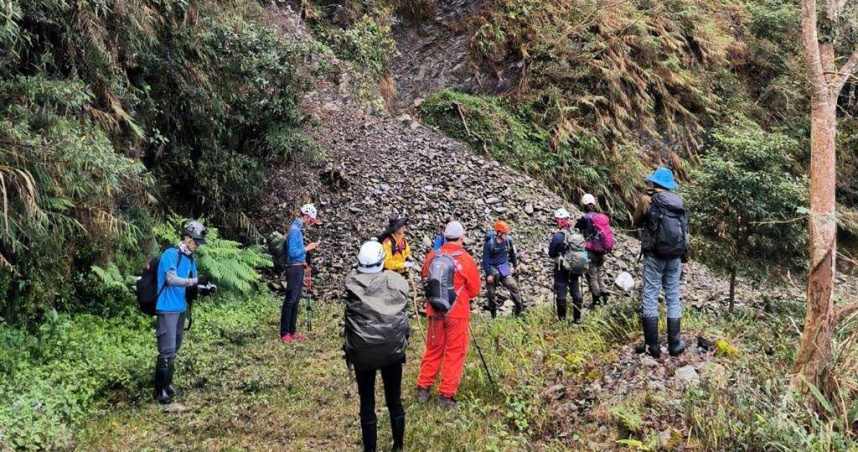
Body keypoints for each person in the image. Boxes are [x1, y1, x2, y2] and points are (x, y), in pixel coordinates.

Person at [344, 240, 408, 452]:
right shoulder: (396, 281)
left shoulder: (352, 283)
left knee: (367, 402)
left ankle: (370, 449)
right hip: (392, 351)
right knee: (394, 398)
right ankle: (398, 446)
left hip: (363, 352)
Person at [416, 221, 481, 408]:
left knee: (433, 348)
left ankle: (423, 388)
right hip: (457, 312)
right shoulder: (465, 259)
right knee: (455, 352)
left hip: (434, 310)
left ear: (444, 237)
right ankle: (445, 396)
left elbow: (425, 279)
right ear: (461, 238)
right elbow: (475, 290)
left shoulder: (432, 256)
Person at [154, 220, 215, 405]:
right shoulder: (170, 254)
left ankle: (168, 383)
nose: (196, 245)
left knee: (176, 346)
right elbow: (171, 279)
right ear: (186, 238)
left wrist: (204, 288)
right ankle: (159, 390)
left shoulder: (190, 258)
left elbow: (193, 280)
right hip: (166, 307)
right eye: (195, 241)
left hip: (180, 307)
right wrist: (194, 282)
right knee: (167, 349)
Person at [633, 167, 689, 358]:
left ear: (654, 182)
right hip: (675, 257)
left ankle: (653, 347)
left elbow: (636, 221)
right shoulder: (678, 203)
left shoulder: (647, 199)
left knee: (650, 295)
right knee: (673, 296)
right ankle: (674, 344)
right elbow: (685, 232)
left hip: (653, 256)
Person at [280, 204, 320, 344]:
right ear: (307, 216)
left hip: (299, 267)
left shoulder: (297, 229)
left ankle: (292, 331)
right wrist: (307, 248)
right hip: (293, 268)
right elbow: (292, 253)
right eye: (311, 220)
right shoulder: (295, 230)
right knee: (290, 299)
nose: (310, 223)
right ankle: (285, 332)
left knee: (296, 299)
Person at [548, 208, 585, 323]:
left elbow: (551, 253)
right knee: (575, 291)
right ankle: (577, 319)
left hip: (561, 267)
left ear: (559, 221)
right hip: (574, 267)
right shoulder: (576, 235)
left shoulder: (558, 236)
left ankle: (562, 320)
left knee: (561, 292)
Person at [482, 221, 523, 318]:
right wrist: (488, 274)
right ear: (499, 233)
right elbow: (486, 260)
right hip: (493, 270)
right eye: (504, 233)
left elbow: (512, 254)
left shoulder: (508, 241)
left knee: (513, 287)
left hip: (504, 268)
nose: (506, 235)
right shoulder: (489, 244)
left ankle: (519, 310)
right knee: (491, 293)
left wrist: (515, 265)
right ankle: (493, 314)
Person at [575, 194, 609, 309]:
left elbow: (577, 227)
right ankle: (604, 295)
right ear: (594, 204)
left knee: (592, 276)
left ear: (584, 205)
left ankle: (596, 301)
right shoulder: (600, 217)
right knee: (600, 273)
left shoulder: (585, 218)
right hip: (601, 250)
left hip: (590, 250)